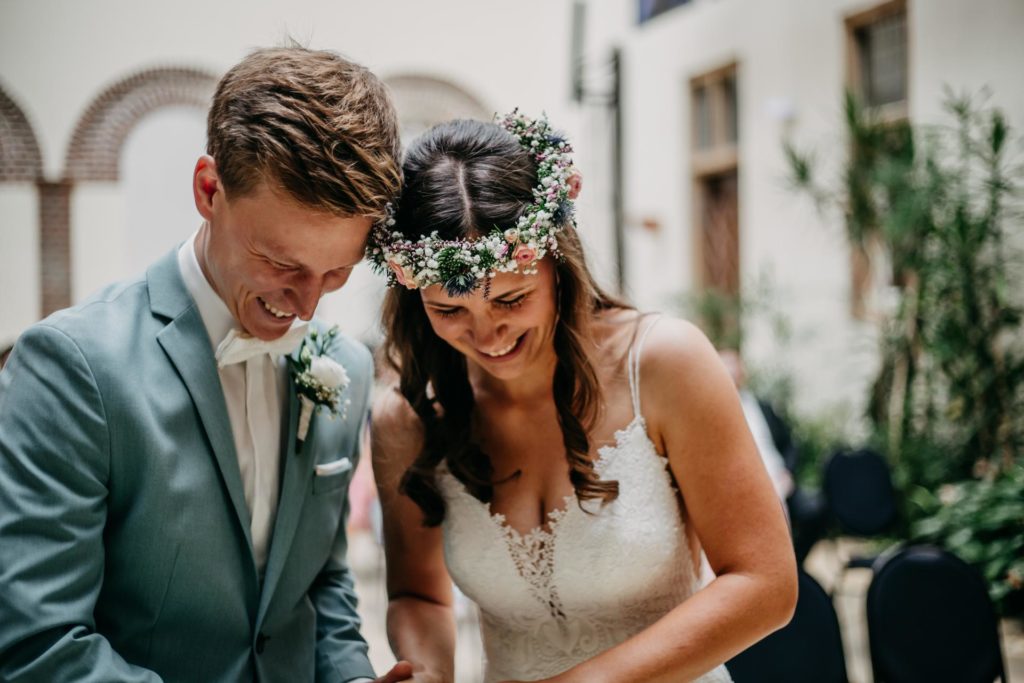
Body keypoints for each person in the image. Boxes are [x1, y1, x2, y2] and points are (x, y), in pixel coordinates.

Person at [0, 46, 412, 683]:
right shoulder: (73, 367)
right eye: (282, 263)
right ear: (208, 189)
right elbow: (37, 643)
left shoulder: (345, 368)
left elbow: (317, 581)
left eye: (335, 272)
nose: (305, 306)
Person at [369, 114, 797, 683]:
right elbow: (417, 595)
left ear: (557, 264)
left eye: (512, 298)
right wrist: (424, 669)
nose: (488, 335)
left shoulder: (664, 363)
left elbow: (766, 585)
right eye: (450, 310)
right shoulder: (410, 417)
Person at [718, 349, 829, 565]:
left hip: (779, 478)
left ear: (743, 371)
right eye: (725, 366)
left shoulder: (763, 406)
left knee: (815, 509)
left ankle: (796, 566)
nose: (731, 372)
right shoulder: (716, 410)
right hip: (746, 487)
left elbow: (790, 444)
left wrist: (787, 472)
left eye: (735, 366)